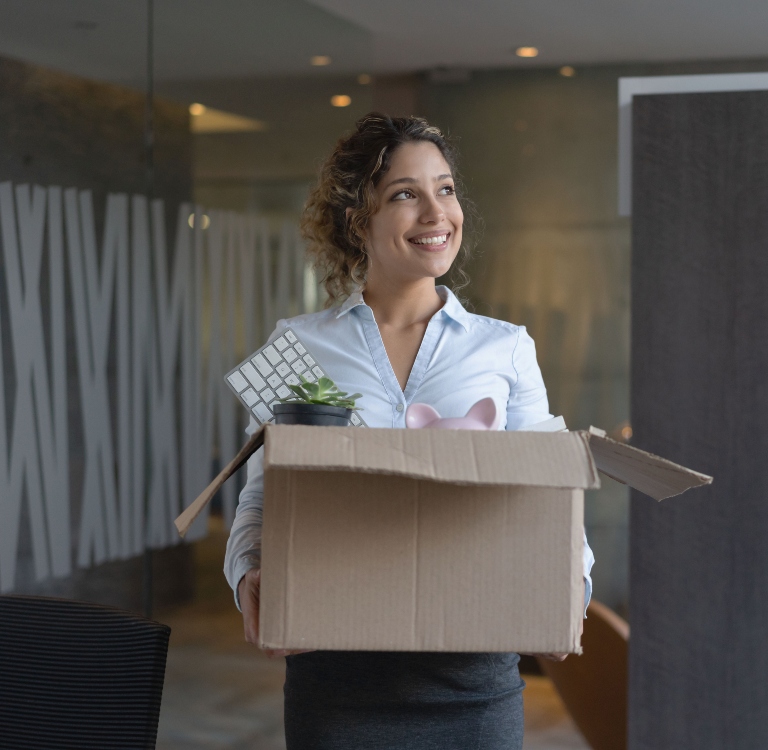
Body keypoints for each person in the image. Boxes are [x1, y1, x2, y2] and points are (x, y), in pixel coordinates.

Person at [224, 113, 594, 749]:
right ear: (355, 219)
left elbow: (553, 492)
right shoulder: (295, 347)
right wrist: (248, 576)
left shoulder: (506, 349)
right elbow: (262, 496)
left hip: (473, 686)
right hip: (336, 682)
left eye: (445, 189)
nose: (436, 212)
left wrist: (571, 589)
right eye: (404, 193)